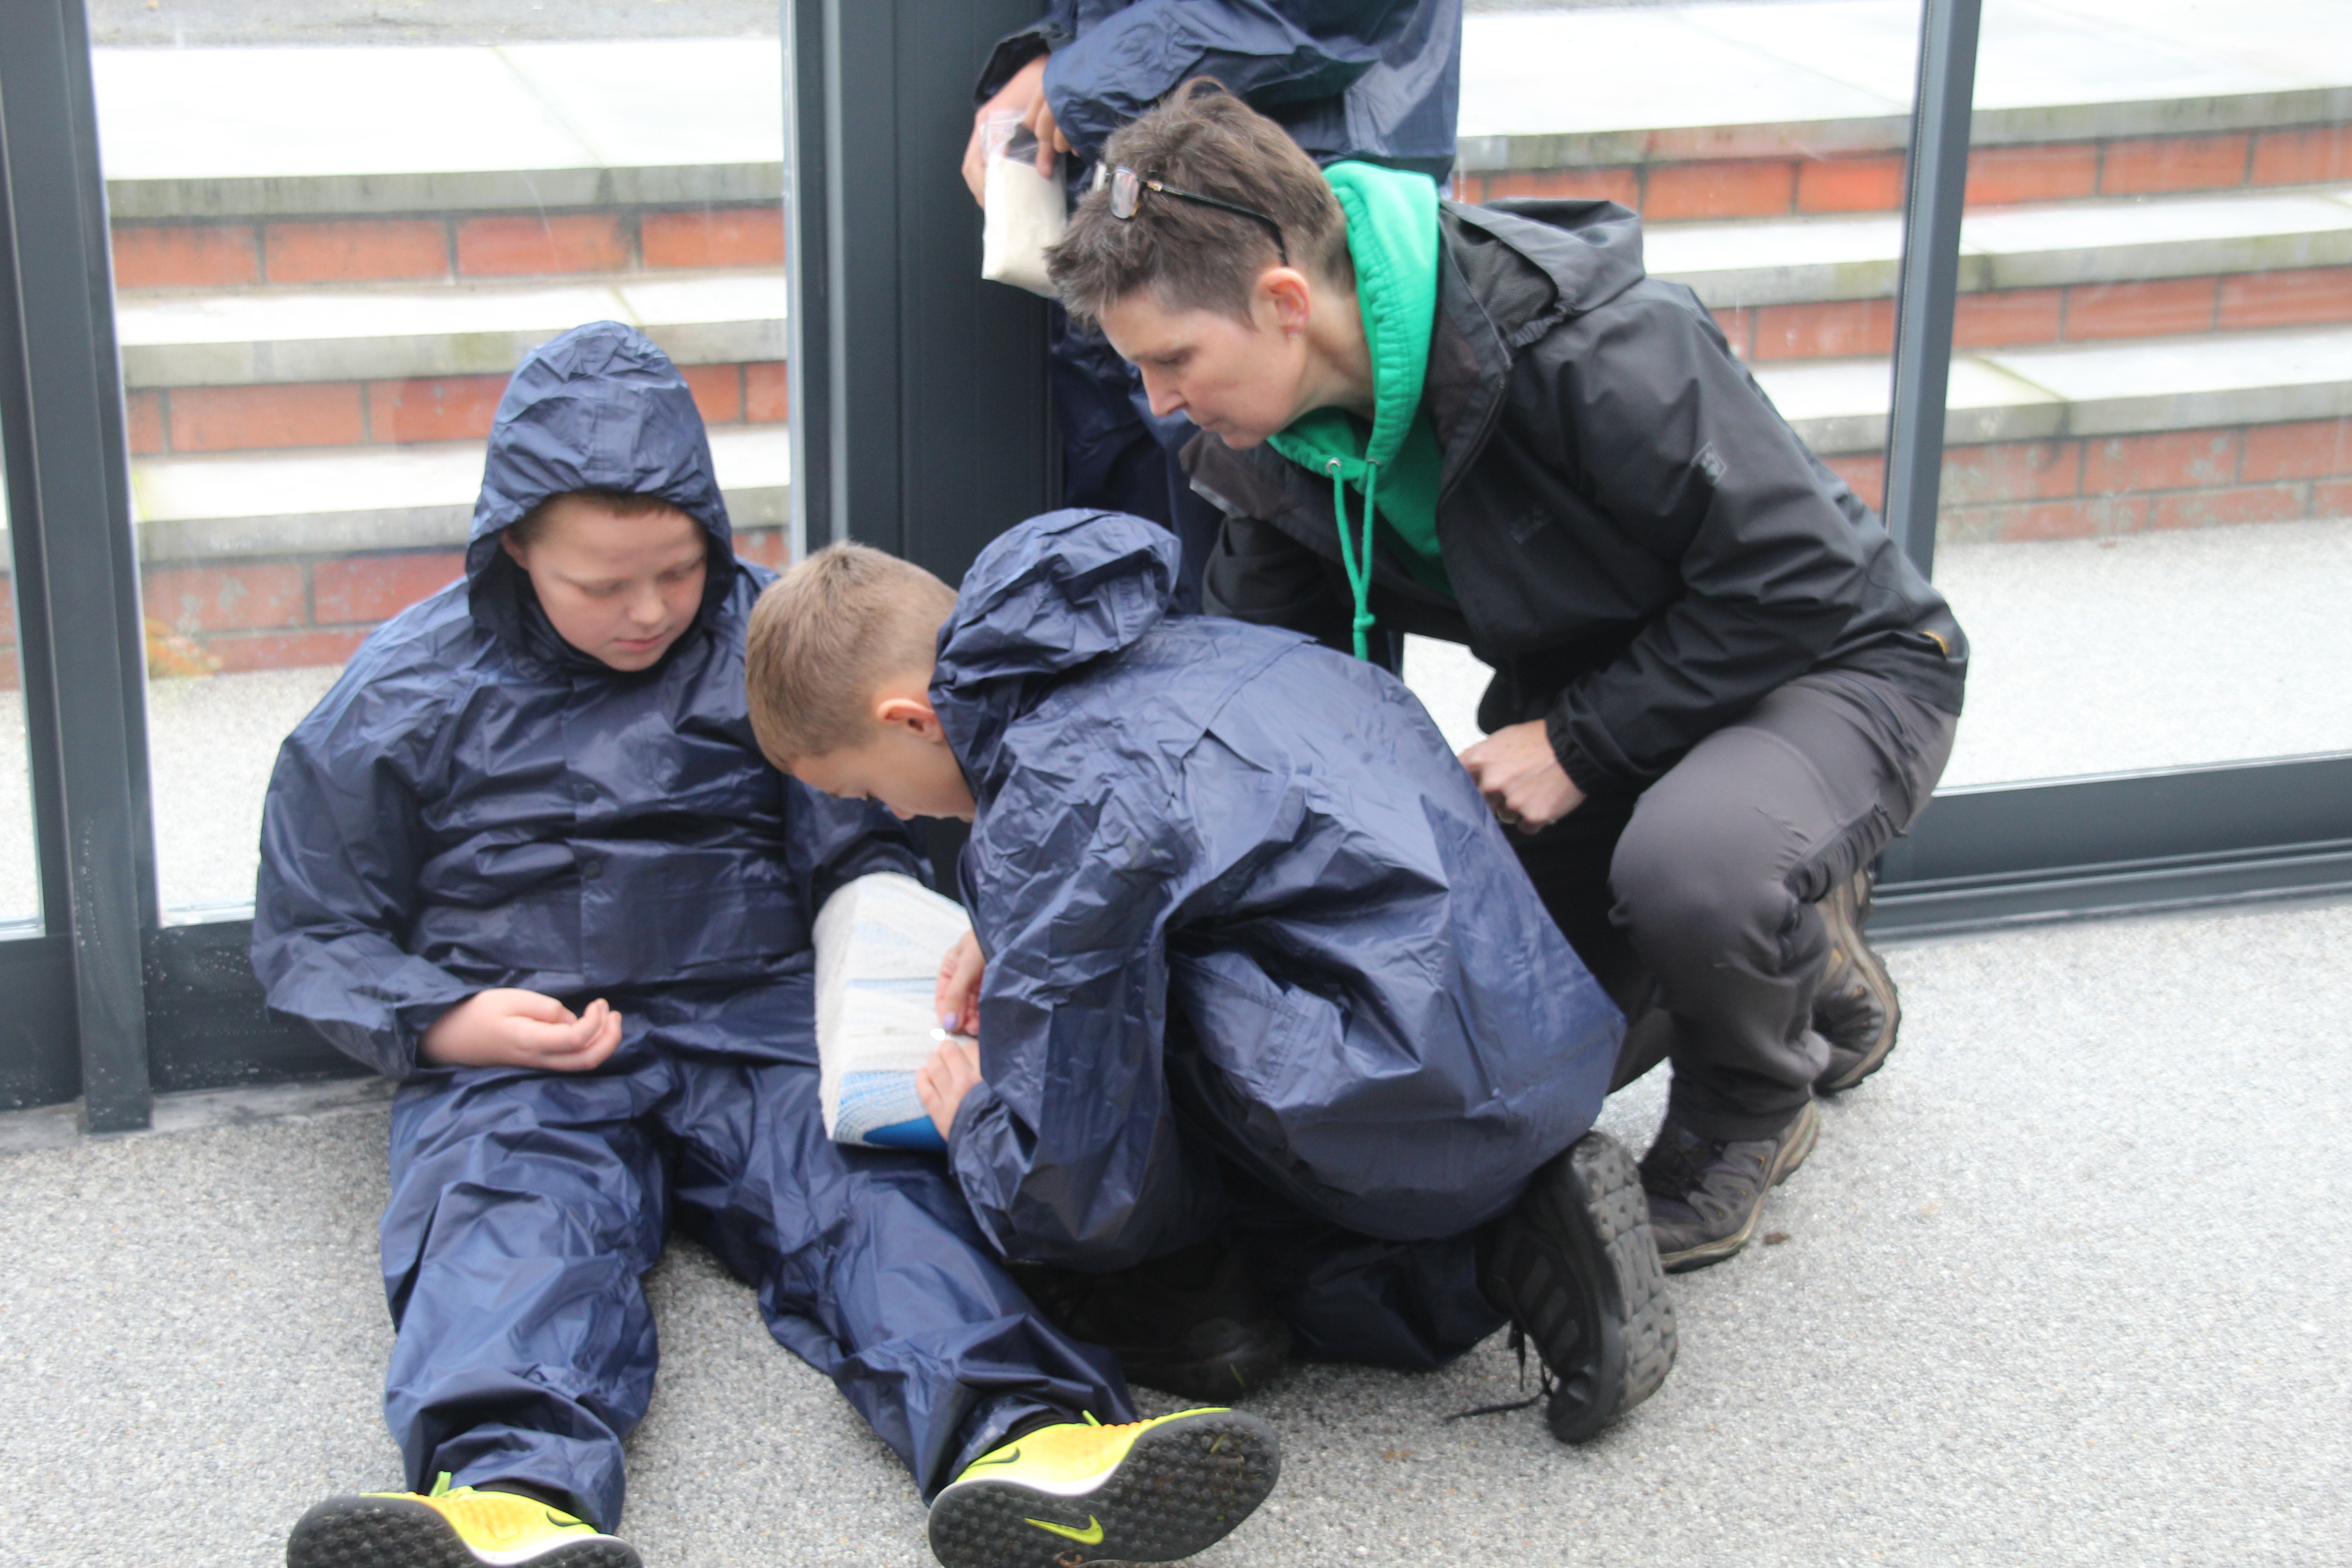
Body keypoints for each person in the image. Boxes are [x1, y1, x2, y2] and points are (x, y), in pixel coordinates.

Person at [251, 322, 1274, 1568]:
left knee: (879, 1195)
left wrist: (909, 954)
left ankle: (1028, 1438)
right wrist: (441, 1019)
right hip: (525, 1046)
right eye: (600, 584)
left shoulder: (771, 641)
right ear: (513, 548)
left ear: (712, 531)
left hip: (760, 1017)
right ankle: (507, 1502)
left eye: (677, 571)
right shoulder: (402, 690)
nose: (646, 611)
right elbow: (313, 924)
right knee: (506, 1220)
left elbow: (861, 842)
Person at [1044, 86, 1970, 1273]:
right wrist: (1093, 883)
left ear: (1284, 303)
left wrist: (1578, 745)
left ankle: (1749, 1108)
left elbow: (1800, 582)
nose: (1158, 402)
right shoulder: (1274, 446)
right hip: (1612, 704)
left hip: (1832, 663)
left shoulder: (1591, 344)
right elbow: (1254, 689)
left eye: (1173, 360)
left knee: (1693, 873)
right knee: (1497, 1023)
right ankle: (1802, 950)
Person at [744, 507, 1678, 1448]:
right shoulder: (1172, 647)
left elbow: (1077, 1183)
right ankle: (1517, 1239)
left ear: (910, 721)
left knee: (1085, 1165)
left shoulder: (1051, 802)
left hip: (1413, 1095)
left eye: (871, 792)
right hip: (1543, 1028)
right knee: (1144, 999)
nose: (899, 815)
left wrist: (975, 1121)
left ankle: (1408, 1267)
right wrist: (1013, 924)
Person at [960, 0, 1462, 612]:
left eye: (1168, 367)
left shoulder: (1549, 349)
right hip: (1131, 222)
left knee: (1295, 602)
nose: (1161, 393)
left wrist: (1086, 71)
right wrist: (1056, 51)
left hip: (1258, 190)